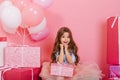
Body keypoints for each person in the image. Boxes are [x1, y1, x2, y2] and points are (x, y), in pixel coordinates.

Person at [39, 27, 104, 80]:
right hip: (60, 70)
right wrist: (62, 49)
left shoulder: (71, 49)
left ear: (70, 38)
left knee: (73, 78)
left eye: (68, 37)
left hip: (70, 69)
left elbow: (70, 61)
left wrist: (66, 49)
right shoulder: (58, 50)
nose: (66, 39)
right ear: (59, 38)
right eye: (63, 37)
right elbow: (60, 61)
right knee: (59, 77)